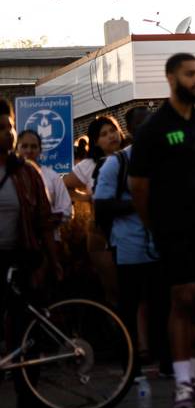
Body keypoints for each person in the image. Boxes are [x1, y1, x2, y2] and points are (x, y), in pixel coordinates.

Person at [128, 54, 195, 408]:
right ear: (171, 78)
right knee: (182, 296)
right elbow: (138, 185)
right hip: (173, 230)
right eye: (190, 74)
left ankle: (192, 378)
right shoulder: (154, 129)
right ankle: (182, 387)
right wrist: (154, 224)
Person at [92, 105, 171, 379]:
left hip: (161, 247)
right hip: (128, 248)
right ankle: (132, 362)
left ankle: (167, 361)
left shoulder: (165, 160)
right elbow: (101, 206)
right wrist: (138, 203)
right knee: (130, 306)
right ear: (131, 131)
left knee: (163, 305)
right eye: (141, 126)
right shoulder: (118, 163)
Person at [0, 98, 63, 408]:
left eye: (7, 127)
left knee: (27, 333)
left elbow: (43, 220)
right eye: (0, 128)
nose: (6, 134)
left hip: (23, 259)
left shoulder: (27, 173)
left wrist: (52, 262)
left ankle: (28, 400)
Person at [63, 114, 123, 306]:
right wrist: (87, 198)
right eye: (104, 134)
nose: (111, 136)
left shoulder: (130, 156)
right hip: (100, 234)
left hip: (131, 232)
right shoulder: (89, 166)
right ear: (96, 142)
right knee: (114, 290)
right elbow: (64, 185)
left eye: (113, 130)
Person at [14, 129, 72, 233]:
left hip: (49, 239)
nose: (29, 151)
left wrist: (44, 222)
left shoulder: (52, 176)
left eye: (33, 146)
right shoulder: (10, 176)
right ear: (16, 148)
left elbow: (66, 210)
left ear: (40, 150)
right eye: (24, 146)